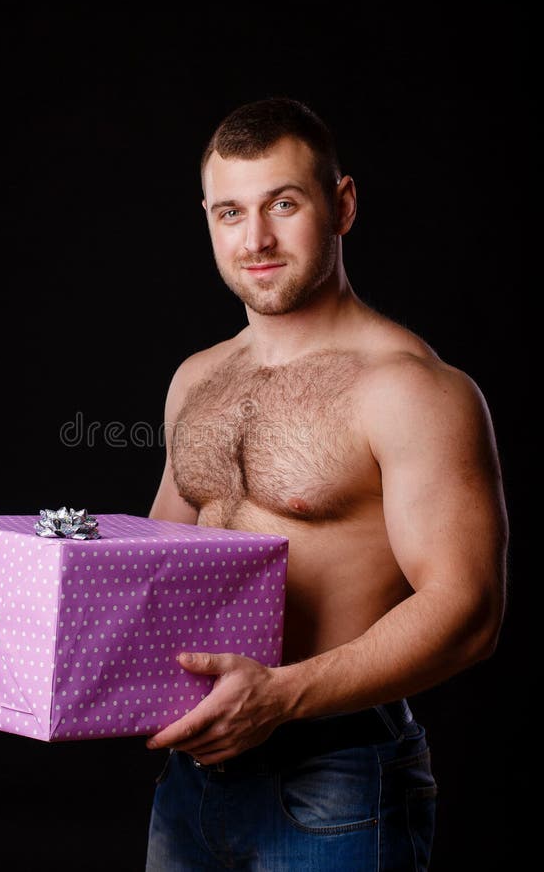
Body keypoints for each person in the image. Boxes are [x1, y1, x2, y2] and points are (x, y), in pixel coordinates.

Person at [143, 97, 508, 871]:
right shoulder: (194, 381)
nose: (256, 240)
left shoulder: (410, 389)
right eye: (229, 212)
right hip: (193, 770)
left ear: (340, 205)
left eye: (283, 203)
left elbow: (468, 609)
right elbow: (156, 564)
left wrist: (280, 697)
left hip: (336, 774)